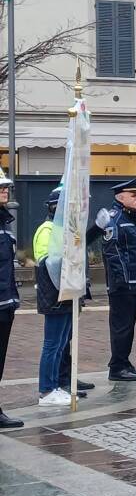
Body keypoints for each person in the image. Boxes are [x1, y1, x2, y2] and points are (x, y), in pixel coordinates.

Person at [33, 188, 102, 406]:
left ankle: (60, 384)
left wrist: (95, 230)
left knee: (62, 343)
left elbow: (76, 251)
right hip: (55, 295)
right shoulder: (47, 230)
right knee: (53, 345)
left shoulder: (65, 229)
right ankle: (47, 389)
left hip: (68, 293)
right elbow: (50, 264)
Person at [101, 178, 136, 381]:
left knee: (128, 326)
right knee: (121, 326)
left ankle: (124, 361)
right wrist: (124, 281)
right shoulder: (114, 219)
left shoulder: (131, 218)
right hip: (124, 286)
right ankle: (116, 367)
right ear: (120, 197)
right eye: (134, 195)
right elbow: (113, 253)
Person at [0, 169, 22, 427]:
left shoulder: (5, 224)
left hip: (6, 303)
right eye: (1, 187)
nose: (5, 190)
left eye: (6, 187)